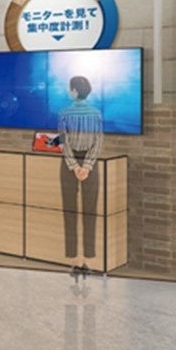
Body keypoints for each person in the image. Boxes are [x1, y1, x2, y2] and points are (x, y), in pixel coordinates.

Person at [58, 75, 104, 266]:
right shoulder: (96, 114)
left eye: (70, 88)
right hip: (91, 165)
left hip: (68, 164)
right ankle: (89, 255)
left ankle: (71, 255)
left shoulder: (64, 113)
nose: (69, 91)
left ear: (75, 91)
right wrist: (87, 166)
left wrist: (74, 166)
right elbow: (98, 142)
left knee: (69, 209)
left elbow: (62, 142)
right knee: (90, 210)